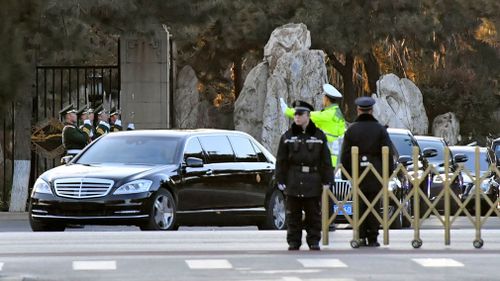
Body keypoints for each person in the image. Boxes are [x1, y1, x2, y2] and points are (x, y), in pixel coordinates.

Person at [276, 100, 333, 251]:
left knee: (313, 213)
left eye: (300, 114)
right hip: (293, 179)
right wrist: (280, 179)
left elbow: (325, 160)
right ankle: (294, 241)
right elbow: (281, 160)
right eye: (295, 114)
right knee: (292, 213)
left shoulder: (319, 136)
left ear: (308, 116)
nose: (297, 117)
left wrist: (327, 180)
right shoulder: (287, 136)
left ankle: (313, 240)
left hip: (312, 180)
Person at [340, 96, 394, 247]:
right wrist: (388, 172)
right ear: (372, 110)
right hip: (376, 172)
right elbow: (388, 152)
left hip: (358, 173)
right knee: (374, 205)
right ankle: (373, 237)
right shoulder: (380, 130)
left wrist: (347, 174)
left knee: (360, 204)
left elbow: (345, 155)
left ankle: (360, 235)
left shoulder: (351, 130)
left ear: (358, 110)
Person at [280, 84, 346, 167]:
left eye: (323, 97)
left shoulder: (328, 114)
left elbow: (306, 115)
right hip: (336, 159)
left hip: (327, 159)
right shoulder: (337, 113)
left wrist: (287, 111)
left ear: (326, 99)